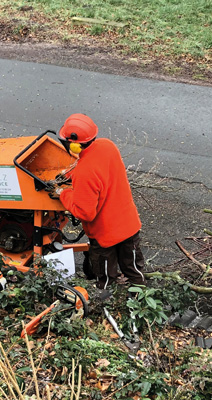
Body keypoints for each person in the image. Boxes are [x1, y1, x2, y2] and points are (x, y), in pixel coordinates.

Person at [50, 113, 146, 290]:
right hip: (129, 225)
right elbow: (96, 167)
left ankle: (107, 306)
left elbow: (84, 212)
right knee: (134, 270)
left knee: (106, 280)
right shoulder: (107, 146)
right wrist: (68, 175)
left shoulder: (84, 172)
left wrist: (62, 192)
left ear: (74, 145)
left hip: (105, 237)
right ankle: (141, 302)